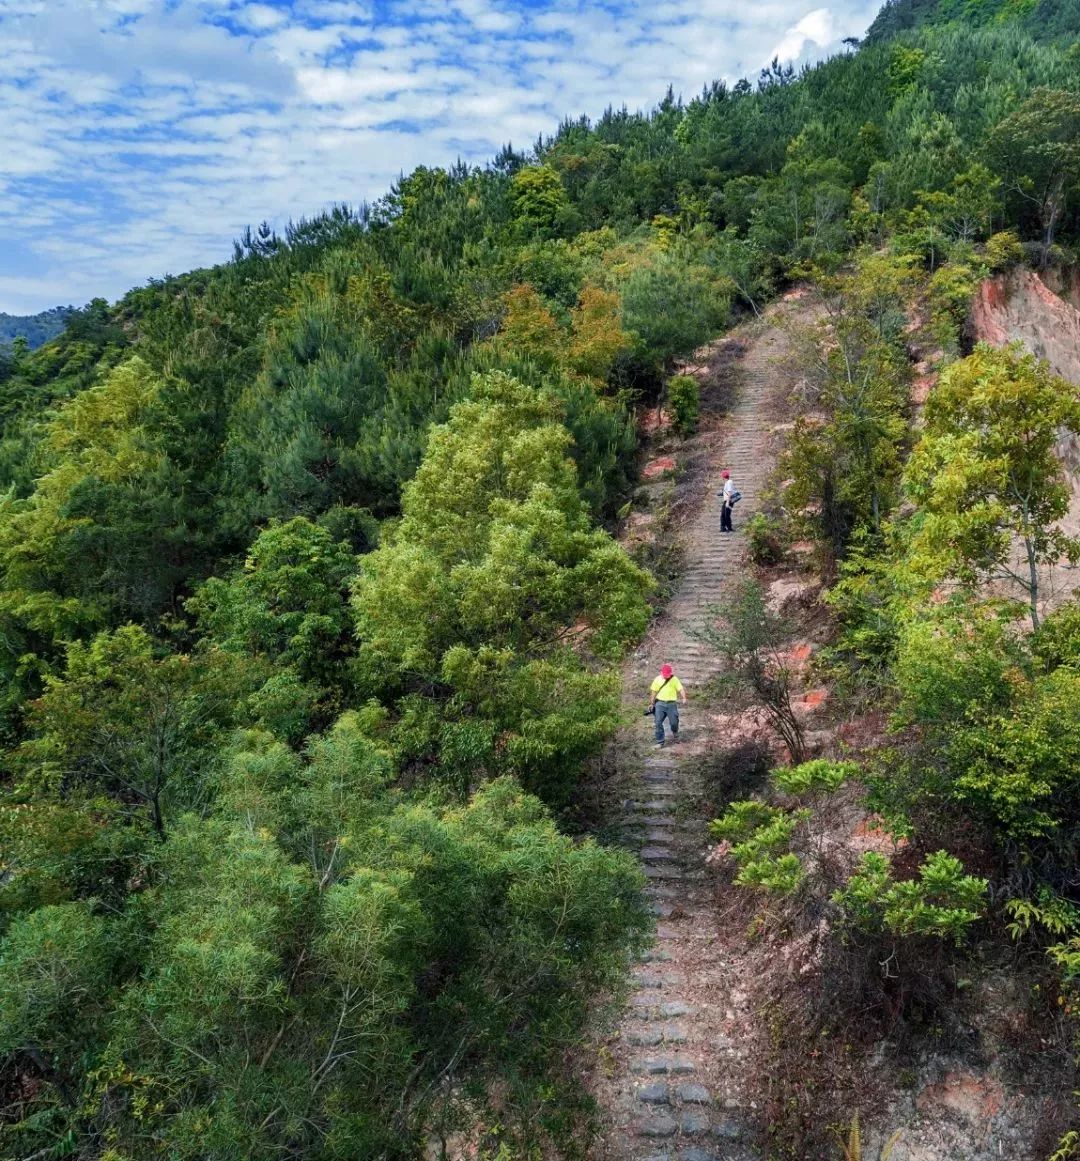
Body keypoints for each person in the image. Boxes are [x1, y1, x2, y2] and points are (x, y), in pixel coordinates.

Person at [649, 663, 687, 747]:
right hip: (660, 703)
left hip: (671, 704)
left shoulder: (674, 679)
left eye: (667, 675)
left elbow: (681, 689)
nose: (666, 676)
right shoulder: (657, 679)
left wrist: (684, 698)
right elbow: (653, 692)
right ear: (661, 673)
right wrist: (651, 703)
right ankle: (660, 742)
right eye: (664, 675)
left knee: (674, 722)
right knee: (658, 722)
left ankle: (675, 733)